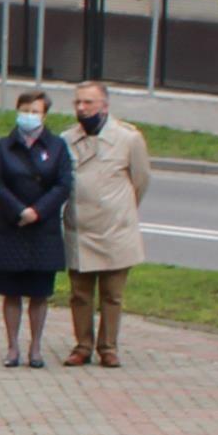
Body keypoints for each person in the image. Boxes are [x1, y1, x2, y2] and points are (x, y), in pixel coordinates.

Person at [62, 78, 151, 367]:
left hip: (115, 230)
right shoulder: (67, 139)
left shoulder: (128, 138)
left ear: (105, 105)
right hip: (80, 229)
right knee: (80, 293)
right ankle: (82, 345)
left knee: (112, 294)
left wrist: (121, 209)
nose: (82, 107)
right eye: (78, 102)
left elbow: (140, 181)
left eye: (88, 102)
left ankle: (108, 347)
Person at [0, 90, 72, 369]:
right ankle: (12, 347)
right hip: (12, 228)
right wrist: (19, 210)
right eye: (25, 110)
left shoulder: (57, 146)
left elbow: (63, 184)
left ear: (45, 115)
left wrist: (38, 211)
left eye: (35, 111)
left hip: (42, 229)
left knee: (39, 292)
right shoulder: (3, 146)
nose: (29, 115)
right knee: (11, 291)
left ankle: (36, 348)